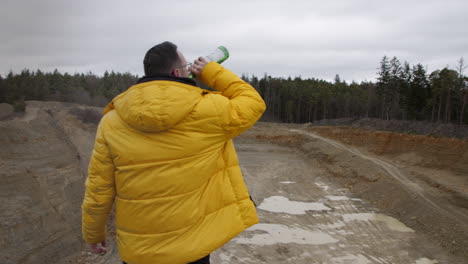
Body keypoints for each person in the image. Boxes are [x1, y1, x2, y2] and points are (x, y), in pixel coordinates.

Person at [81, 41, 266, 264]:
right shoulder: (210, 109)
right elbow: (253, 102)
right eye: (187, 66)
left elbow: (98, 188)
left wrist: (93, 234)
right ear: (177, 72)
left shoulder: (111, 121)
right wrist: (210, 70)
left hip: (139, 252)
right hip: (192, 248)